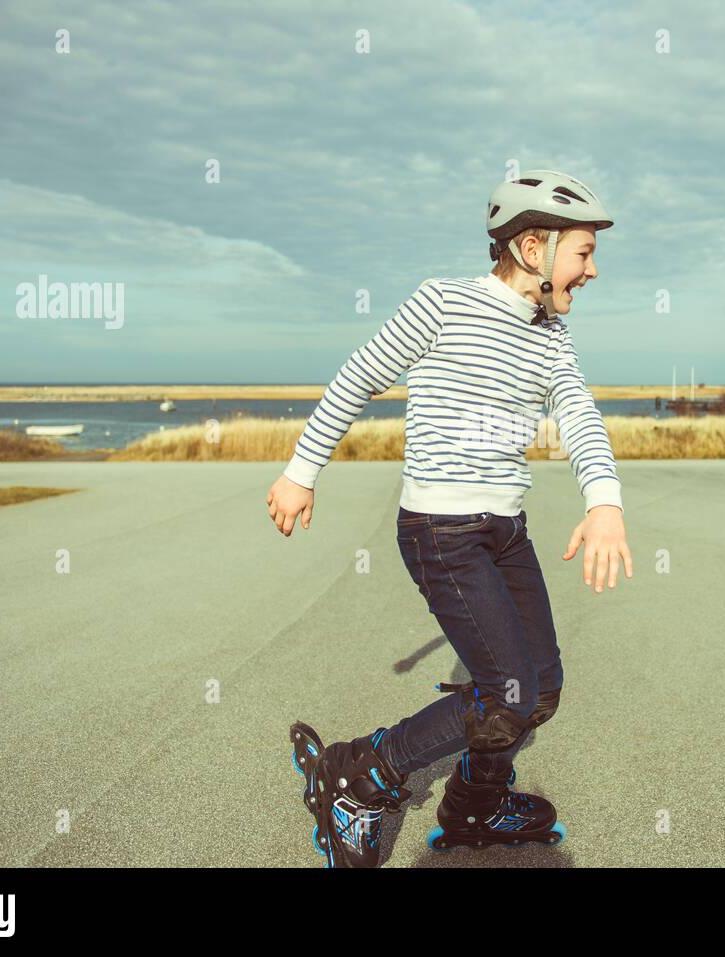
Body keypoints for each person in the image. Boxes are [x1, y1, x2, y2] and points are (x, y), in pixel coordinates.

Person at [268, 170, 633, 867]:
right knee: (503, 697)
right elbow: (358, 377)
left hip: (504, 530)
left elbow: (579, 416)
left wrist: (605, 500)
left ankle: (476, 803)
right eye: (583, 252)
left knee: (540, 689)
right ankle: (358, 775)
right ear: (533, 247)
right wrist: (300, 471)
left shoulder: (550, 336)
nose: (592, 270)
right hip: (442, 532)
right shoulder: (442, 304)